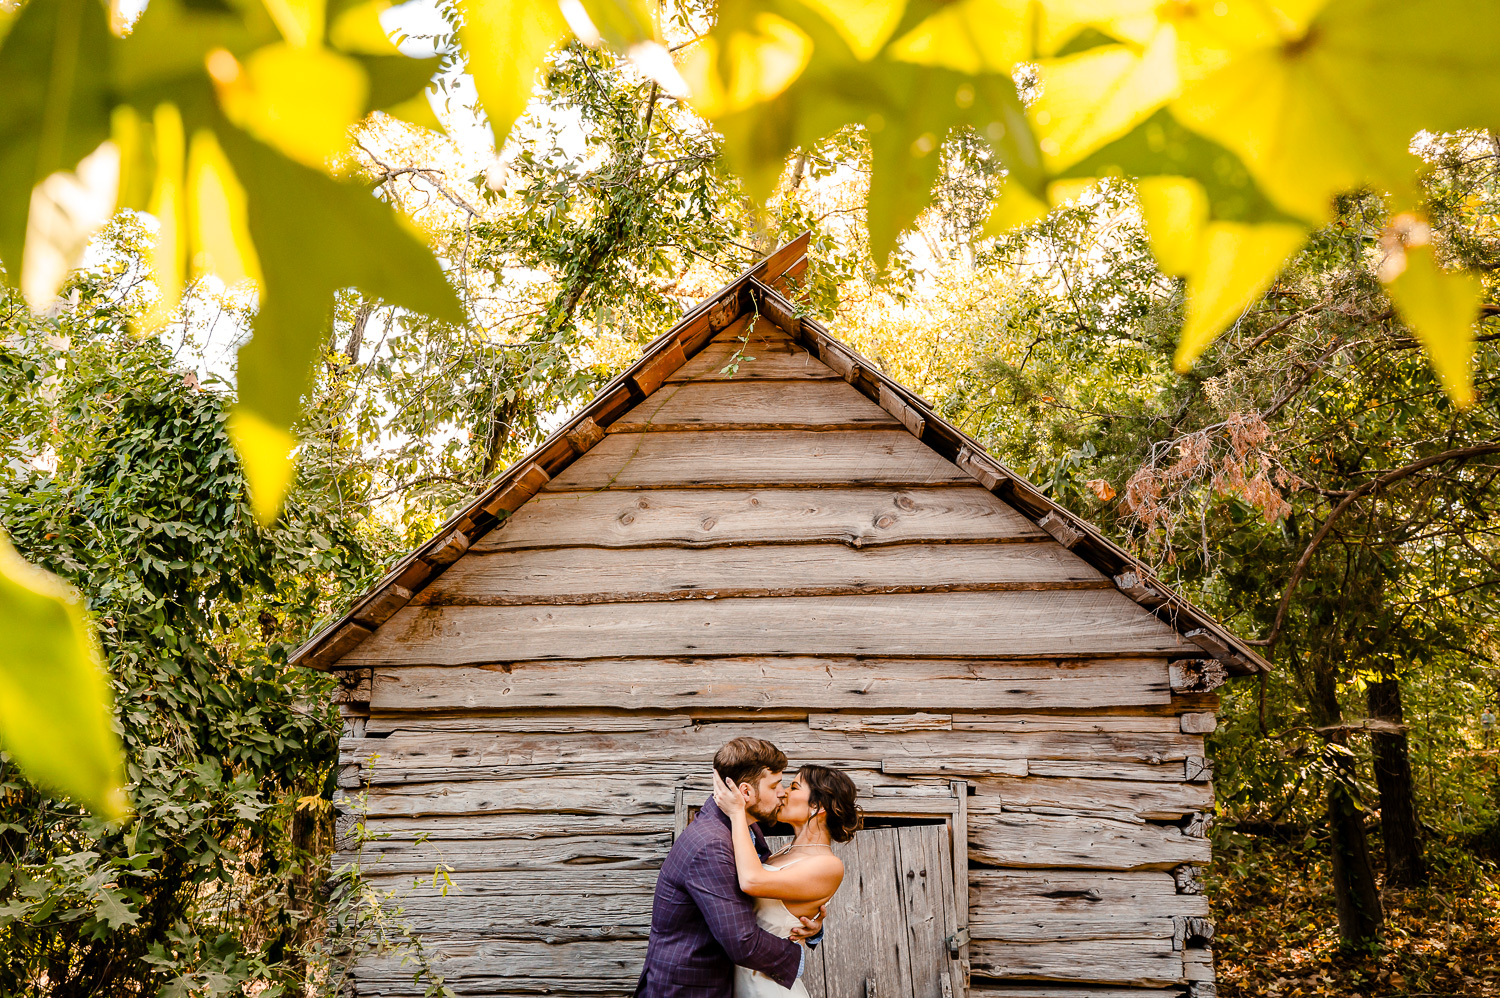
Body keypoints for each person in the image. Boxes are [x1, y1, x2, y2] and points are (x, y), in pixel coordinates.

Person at [635, 737, 825, 998]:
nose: (782, 792)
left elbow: (762, 895)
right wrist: (797, 953)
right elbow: (743, 943)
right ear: (746, 792)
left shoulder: (745, 828)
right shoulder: (711, 845)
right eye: (775, 785)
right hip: (689, 989)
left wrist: (808, 924)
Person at [712, 762, 862, 998]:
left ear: (817, 806)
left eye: (794, 786)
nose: (783, 792)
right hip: (742, 979)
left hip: (768, 987)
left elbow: (751, 881)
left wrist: (737, 813)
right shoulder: (784, 851)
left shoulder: (828, 865)